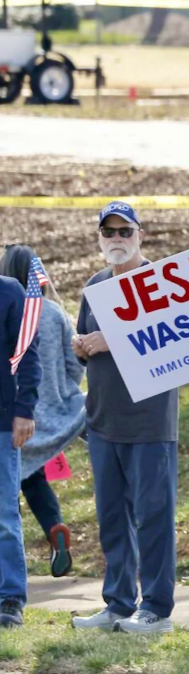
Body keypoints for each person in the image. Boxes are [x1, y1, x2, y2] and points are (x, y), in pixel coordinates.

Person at [70, 202, 179, 635]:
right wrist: (83, 346)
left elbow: (174, 340)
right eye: (108, 232)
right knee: (112, 518)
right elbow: (87, 347)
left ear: (140, 234)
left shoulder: (162, 283)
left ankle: (156, 609)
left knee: (153, 517)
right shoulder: (94, 285)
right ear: (99, 238)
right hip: (102, 421)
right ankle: (117, 604)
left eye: (124, 231)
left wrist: (110, 340)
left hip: (150, 421)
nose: (116, 238)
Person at [0, 245, 80, 579]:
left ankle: (10, 578)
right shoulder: (55, 313)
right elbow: (74, 364)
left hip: (14, 412)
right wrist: (63, 390)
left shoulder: (8, 303)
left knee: (13, 488)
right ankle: (52, 526)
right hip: (51, 414)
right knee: (33, 478)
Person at [0, 249, 41, 629]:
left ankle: (10, 597)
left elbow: (27, 355)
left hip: (1, 424)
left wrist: (24, 409)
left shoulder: (10, 292)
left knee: (4, 517)